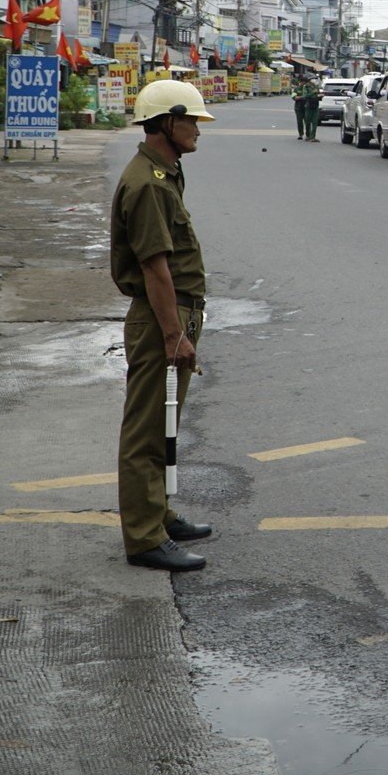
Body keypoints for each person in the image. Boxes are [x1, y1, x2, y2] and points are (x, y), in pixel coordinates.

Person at [110, 78, 217, 573]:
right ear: (165, 123)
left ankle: (158, 515)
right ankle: (144, 537)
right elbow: (155, 268)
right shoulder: (149, 183)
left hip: (173, 313)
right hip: (160, 319)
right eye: (191, 120)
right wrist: (175, 335)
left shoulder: (164, 171)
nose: (198, 129)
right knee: (148, 430)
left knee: (164, 424)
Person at [297, 71, 323, 142]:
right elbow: (305, 96)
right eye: (313, 78)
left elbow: (318, 95)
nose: (314, 80)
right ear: (309, 80)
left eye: (315, 78)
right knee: (308, 122)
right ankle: (308, 135)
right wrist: (313, 92)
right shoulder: (306, 87)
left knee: (315, 122)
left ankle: (313, 137)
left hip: (315, 105)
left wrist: (320, 96)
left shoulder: (316, 86)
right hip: (308, 106)